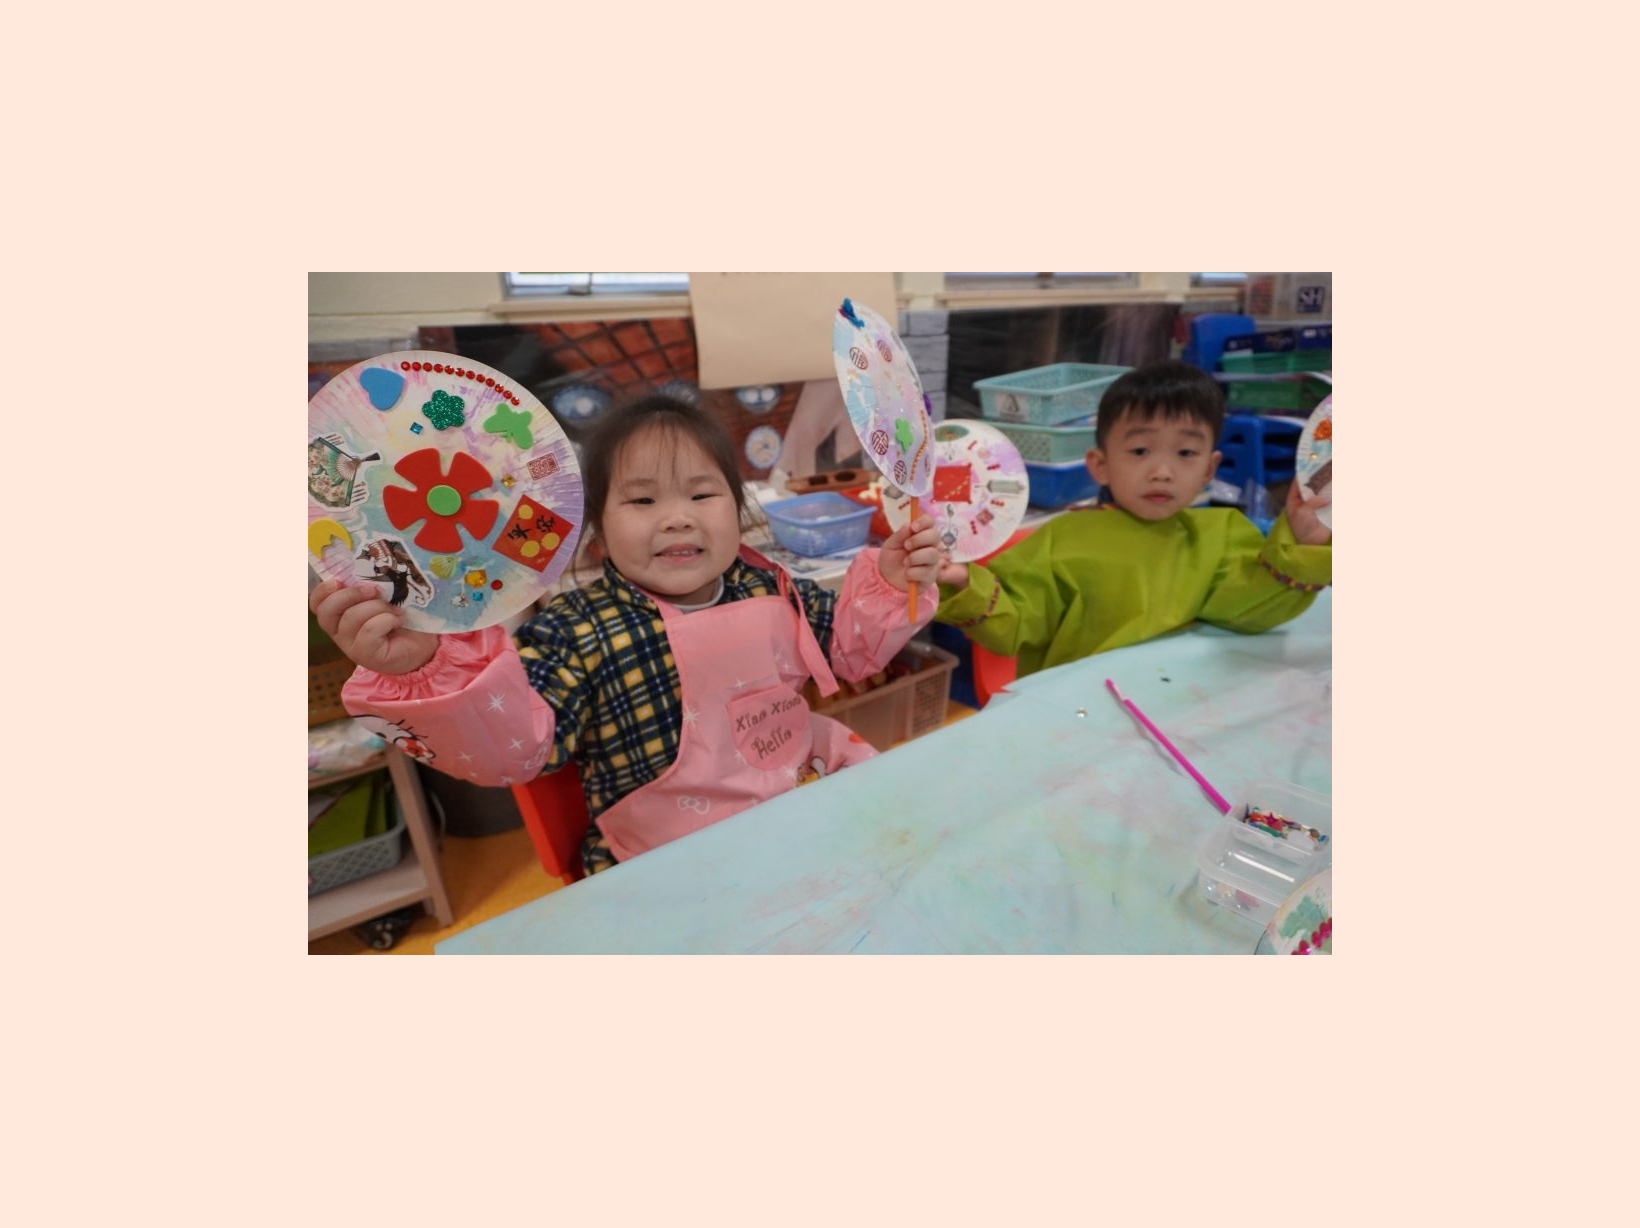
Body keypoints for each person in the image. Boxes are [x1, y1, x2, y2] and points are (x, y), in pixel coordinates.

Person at [311, 393, 943, 875]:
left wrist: (890, 584)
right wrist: (428, 666)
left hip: (797, 805)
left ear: (740, 510)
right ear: (597, 536)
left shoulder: (773, 587)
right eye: (642, 502)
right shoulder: (574, 629)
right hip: (670, 860)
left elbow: (848, 653)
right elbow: (518, 749)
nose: (677, 518)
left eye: (702, 495)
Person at [933, 361, 1331, 678]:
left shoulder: (1222, 535)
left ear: (1210, 469)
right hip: (1080, 712)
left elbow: (1248, 613)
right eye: (1140, 451)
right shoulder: (1062, 540)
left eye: (1186, 453)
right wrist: (965, 582)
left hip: (1177, 703)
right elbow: (1016, 622)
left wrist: (1302, 545)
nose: (1163, 472)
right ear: (1100, 465)